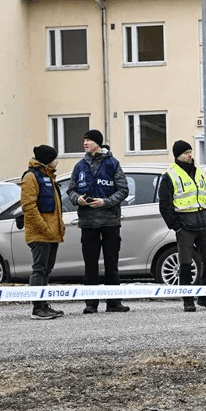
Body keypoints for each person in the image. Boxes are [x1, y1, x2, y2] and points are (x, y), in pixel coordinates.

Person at [66, 129, 130, 314]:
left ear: (98, 143)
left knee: (111, 262)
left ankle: (114, 302)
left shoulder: (112, 164)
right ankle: (91, 303)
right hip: (88, 222)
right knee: (90, 263)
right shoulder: (79, 166)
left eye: (89, 140)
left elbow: (123, 190)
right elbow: (70, 190)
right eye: (84, 140)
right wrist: (77, 198)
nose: (85, 143)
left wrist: (105, 202)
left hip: (110, 221)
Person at [158, 140, 206, 312]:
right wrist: (175, 225)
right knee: (185, 264)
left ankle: (205, 297)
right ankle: (188, 299)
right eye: (186, 153)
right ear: (178, 155)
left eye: (190, 152)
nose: (189, 155)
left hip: (204, 222)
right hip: (184, 225)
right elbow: (165, 204)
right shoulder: (170, 175)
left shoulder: (200, 172)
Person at [21, 145, 66, 320]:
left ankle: (44, 304)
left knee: (46, 270)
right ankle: (37, 308)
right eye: (54, 158)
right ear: (47, 160)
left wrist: (59, 226)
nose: (57, 161)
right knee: (39, 269)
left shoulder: (48, 176)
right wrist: (44, 228)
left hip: (52, 234)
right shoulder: (31, 177)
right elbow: (29, 207)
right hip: (40, 234)